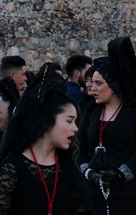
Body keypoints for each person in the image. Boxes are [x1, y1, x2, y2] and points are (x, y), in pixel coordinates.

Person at [78, 37, 136, 215]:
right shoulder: (91, 110)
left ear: (114, 85)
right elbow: (81, 148)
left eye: (99, 83)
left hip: (129, 193)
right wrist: (88, 172)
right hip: (94, 190)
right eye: (93, 83)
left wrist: (121, 174)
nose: (94, 88)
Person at [0, 64, 90, 214]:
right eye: (69, 121)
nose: (75, 128)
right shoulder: (13, 167)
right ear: (47, 122)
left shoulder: (67, 168)